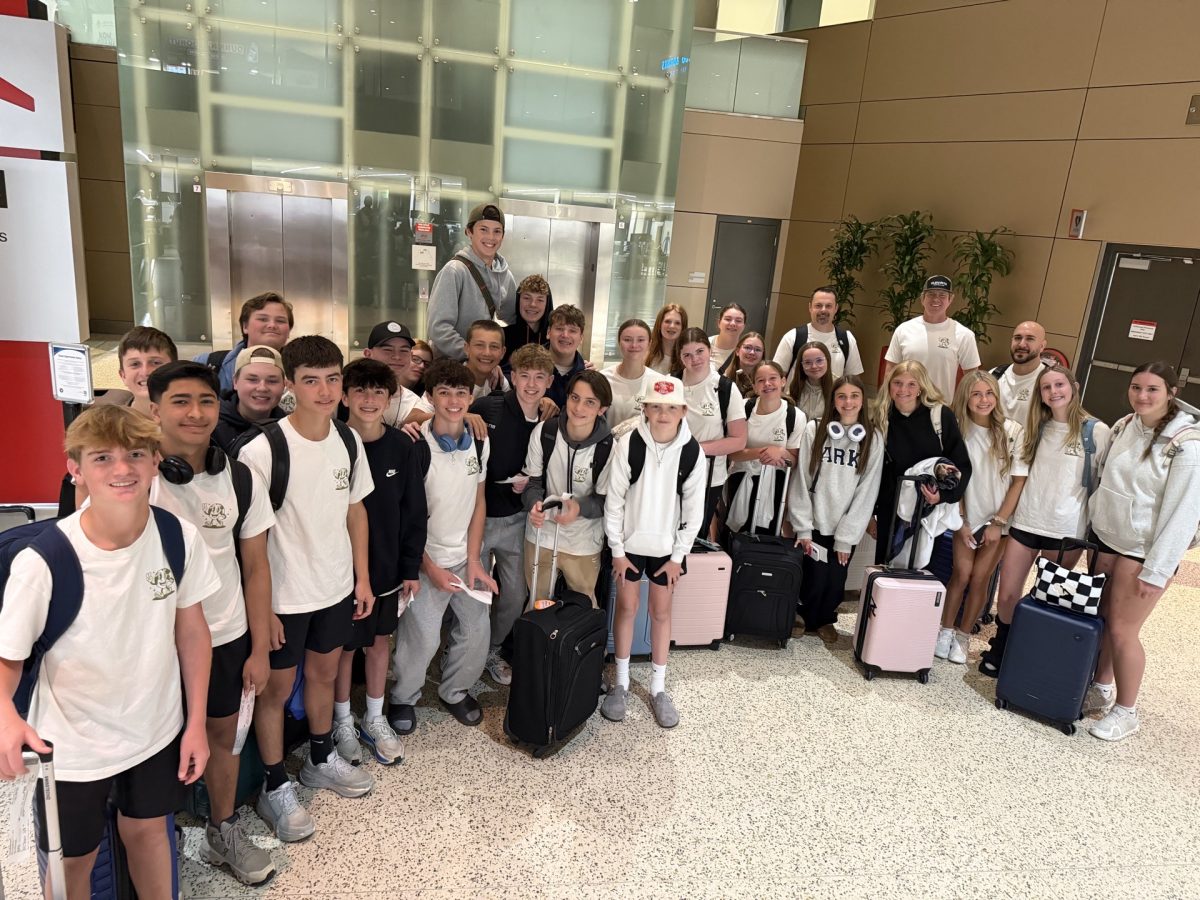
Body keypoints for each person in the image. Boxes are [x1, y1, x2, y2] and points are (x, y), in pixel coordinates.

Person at [0, 405, 220, 897]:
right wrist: (6, 717)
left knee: (149, 833)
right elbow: (8, 657)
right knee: (73, 861)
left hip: (155, 728)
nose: (122, 469)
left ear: (156, 460)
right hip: (72, 745)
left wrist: (196, 723)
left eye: (136, 454)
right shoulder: (45, 560)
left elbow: (192, 633)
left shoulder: (176, 537)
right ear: (75, 469)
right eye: (102, 457)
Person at [237, 336, 376, 842]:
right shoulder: (262, 450)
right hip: (284, 597)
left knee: (324, 673)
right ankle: (274, 784)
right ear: (291, 386)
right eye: (311, 381)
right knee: (274, 692)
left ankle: (319, 757)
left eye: (332, 379)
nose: (324, 390)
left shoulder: (348, 440)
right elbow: (252, 544)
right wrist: (263, 612)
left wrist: (361, 577)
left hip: (335, 588)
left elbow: (355, 511)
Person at [145, 362, 277, 885]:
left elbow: (257, 566)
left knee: (224, 735)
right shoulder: (134, 477)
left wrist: (260, 646)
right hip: (153, 643)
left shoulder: (240, 478)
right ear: (154, 409)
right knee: (154, 744)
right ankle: (154, 839)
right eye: (179, 401)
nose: (195, 413)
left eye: (204, 401)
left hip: (226, 633)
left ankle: (222, 830)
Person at [1084, 362, 1200, 741]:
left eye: (1152, 389)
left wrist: (1158, 570)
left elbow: (1183, 514)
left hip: (1143, 552)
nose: (1142, 396)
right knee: (1104, 620)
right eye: (1136, 387)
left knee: (1123, 631)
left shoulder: (1186, 443)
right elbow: (1104, 478)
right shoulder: (1124, 425)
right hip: (1108, 539)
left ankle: (1126, 710)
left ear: (1171, 392)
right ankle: (1101, 687)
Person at [978, 364, 1109, 677]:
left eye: (1059, 385)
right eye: (1046, 387)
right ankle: (1002, 645)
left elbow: (1103, 481)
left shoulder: (1096, 431)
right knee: (1007, 594)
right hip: (1026, 522)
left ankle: (1030, 653)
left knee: (1046, 597)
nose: (1054, 392)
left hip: (1066, 530)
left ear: (1073, 387)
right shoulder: (1035, 428)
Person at [390, 360, 497, 734]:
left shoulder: (480, 441)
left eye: (461, 393)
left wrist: (474, 559)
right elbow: (406, 516)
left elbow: (479, 501)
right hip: (426, 560)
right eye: (444, 392)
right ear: (431, 397)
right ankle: (403, 697)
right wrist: (430, 567)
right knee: (421, 638)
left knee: (476, 631)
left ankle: (455, 691)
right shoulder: (414, 443)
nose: (453, 401)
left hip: (466, 557)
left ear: (471, 397)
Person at [331, 359, 427, 767]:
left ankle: (374, 715)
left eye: (378, 392)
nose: (369, 400)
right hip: (338, 572)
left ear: (389, 399)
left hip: (385, 567)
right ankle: (341, 720)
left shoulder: (402, 447)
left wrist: (409, 568)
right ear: (345, 396)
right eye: (360, 391)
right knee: (342, 648)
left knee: (378, 642)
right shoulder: (331, 443)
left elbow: (414, 511)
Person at [601, 375, 705, 728]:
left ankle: (659, 688)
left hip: (666, 551)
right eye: (656, 407)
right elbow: (614, 502)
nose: (663, 414)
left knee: (661, 613)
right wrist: (617, 550)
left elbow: (694, 511)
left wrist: (678, 557)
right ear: (644, 408)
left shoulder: (692, 451)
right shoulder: (628, 443)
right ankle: (621, 683)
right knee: (627, 608)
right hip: (629, 547)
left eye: (671, 408)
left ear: (683, 411)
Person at [471, 344, 553, 686]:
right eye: (524, 376)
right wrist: (465, 416)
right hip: (478, 516)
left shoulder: (551, 420)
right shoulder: (486, 407)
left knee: (516, 594)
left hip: (518, 519)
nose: (531, 384)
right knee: (474, 594)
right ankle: (464, 652)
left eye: (539, 377)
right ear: (513, 377)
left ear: (549, 382)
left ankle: (491, 650)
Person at [937, 371, 1027, 666]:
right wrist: (963, 522)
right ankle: (945, 631)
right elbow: (955, 479)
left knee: (980, 578)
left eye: (989, 393)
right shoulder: (957, 431)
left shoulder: (1012, 431)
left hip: (999, 521)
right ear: (965, 397)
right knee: (961, 574)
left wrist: (998, 523)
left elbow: (1018, 481)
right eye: (976, 394)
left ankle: (963, 636)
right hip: (966, 517)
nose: (984, 400)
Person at [789, 375, 882, 643]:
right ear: (833, 400)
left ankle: (825, 619)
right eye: (841, 396)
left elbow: (867, 490)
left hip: (845, 524)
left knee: (835, 578)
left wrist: (846, 536)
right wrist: (803, 526)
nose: (848, 402)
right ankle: (800, 616)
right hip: (815, 519)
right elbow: (802, 479)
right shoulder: (815, 429)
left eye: (854, 396)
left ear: (863, 401)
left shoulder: (872, 438)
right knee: (812, 576)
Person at [869, 360, 972, 565]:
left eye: (911, 384)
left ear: (921, 387)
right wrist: (870, 515)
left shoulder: (940, 416)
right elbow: (873, 473)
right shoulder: (881, 417)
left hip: (929, 509)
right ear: (889, 385)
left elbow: (961, 465)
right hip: (891, 510)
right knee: (886, 571)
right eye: (898, 383)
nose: (903, 390)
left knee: (922, 570)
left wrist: (942, 496)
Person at [525, 370, 614, 605]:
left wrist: (578, 507)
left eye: (590, 402)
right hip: (541, 535)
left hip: (583, 541)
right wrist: (534, 504)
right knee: (537, 604)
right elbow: (533, 483)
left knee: (582, 607)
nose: (579, 408)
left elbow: (604, 501)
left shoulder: (608, 447)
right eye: (575, 398)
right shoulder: (545, 432)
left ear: (602, 409)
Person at [678, 329, 748, 537]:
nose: (695, 359)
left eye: (700, 351)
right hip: (670, 472)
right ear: (680, 357)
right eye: (687, 355)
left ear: (710, 351)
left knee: (693, 537)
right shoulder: (671, 383)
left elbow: (738, 440)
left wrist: (695, 450)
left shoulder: (725, 388)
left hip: (708, 478)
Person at [426, 203, 518, 360]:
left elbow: (511, 317)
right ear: (469, 232)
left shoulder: (505, 274)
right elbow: (438, 328)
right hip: (451, 364)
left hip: (481, 363)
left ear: (503, 236)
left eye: (497, 231)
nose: (491, 237)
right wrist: (472, 355)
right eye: (483, 229)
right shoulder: (454, 271)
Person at [726, 362, 805, 536]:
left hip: (776, 484)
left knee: (766, 538)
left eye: (773, 378)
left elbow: (794, 460)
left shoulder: (795, 416)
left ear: (783, 381)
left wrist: (782, 453)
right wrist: (765, 451)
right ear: (754, 386)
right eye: (760, 380)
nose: (767, 384)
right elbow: (731, 454)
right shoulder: (743, 408)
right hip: (741, 478)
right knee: (735, 536)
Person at [883, 275, 981, 403]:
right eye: (931, 294)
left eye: (942, 295)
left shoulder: (964, 335)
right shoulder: (904, 329)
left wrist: (960, 407)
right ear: (922, 298)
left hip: (941, 407)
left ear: (950, 299)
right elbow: (890, 371)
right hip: (905, 405)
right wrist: (886, 403)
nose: (936, 299)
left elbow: (972, 378)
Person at [196, 292, 293, 395]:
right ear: (245, 326)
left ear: (289, 331)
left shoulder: (299, 370)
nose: (272, 325)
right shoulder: (207, 363)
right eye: (263, 319)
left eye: (280, 321)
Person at [773, 287, 864, 380]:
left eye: (828, 306)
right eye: (818, 305)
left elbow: (853, 379)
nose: (823, 310)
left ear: (836, 308)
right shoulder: (793, 337)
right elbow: (776, 375)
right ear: (810, 307)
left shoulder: (847, 339)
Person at [212, 345, 286, 453]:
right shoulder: (211, 427)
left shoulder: (289, 430)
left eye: (272, 381)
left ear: (284, 385)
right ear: (235, 382)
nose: (262, 388)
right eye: (252, 380)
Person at [95, 325, 179, 417]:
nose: (145, 372)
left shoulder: (189, 418)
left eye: (156, 363)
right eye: (135, 364)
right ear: (123, 376)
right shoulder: (110, 422)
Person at [601, 318, 662, 428]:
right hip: (607, 439)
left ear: (649, 343)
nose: (634, 345)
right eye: (627, 339)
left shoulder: (658, 382)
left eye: (640, 340)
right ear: (619, 342)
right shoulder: (603, 378)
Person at [991, 320, 1048, 423]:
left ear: (1042, 346)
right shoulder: (994, 375)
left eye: (1030, 339)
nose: (1021, 344)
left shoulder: (1050, 382)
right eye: (1017, 338)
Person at [501, 274, 553, 372]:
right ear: (518, 301)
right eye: (526, 298)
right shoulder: (502, 337)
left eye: (540, 300)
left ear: (547, 304)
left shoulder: (554, 339)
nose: (533, 304)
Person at [545, 304, 589, 409]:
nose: (565, 335)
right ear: (548, 332)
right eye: (559, 328)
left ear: (581, 338)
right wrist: (534, 400)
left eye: (572, 331)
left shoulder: (588, 377)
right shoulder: (526, 365)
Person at [788, 341, 833, 423]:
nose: (814, 366)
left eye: (819, 360)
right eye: (808, 362)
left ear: (828, 360)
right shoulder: (794, 387)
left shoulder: (839, 387)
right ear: (801, 365)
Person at [719, 331, 766, 398]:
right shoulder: (722, 380)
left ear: (762, 355)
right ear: (737, 351)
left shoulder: (767, 382)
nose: (752, 352)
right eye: (747, 348)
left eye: (758, 349)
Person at [646, 303, 687, 374]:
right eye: (667, 321)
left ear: (682, 328)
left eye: (677, 323)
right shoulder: (645, 351)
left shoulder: (687, 357)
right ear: (659, 324)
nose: (672, 326)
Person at [708, 303, 746, 368]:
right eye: (728, 319)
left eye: (738, 321)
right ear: (719, 323)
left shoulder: (745, 351)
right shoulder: (705, 344)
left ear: (744, 326)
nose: (733, 323)